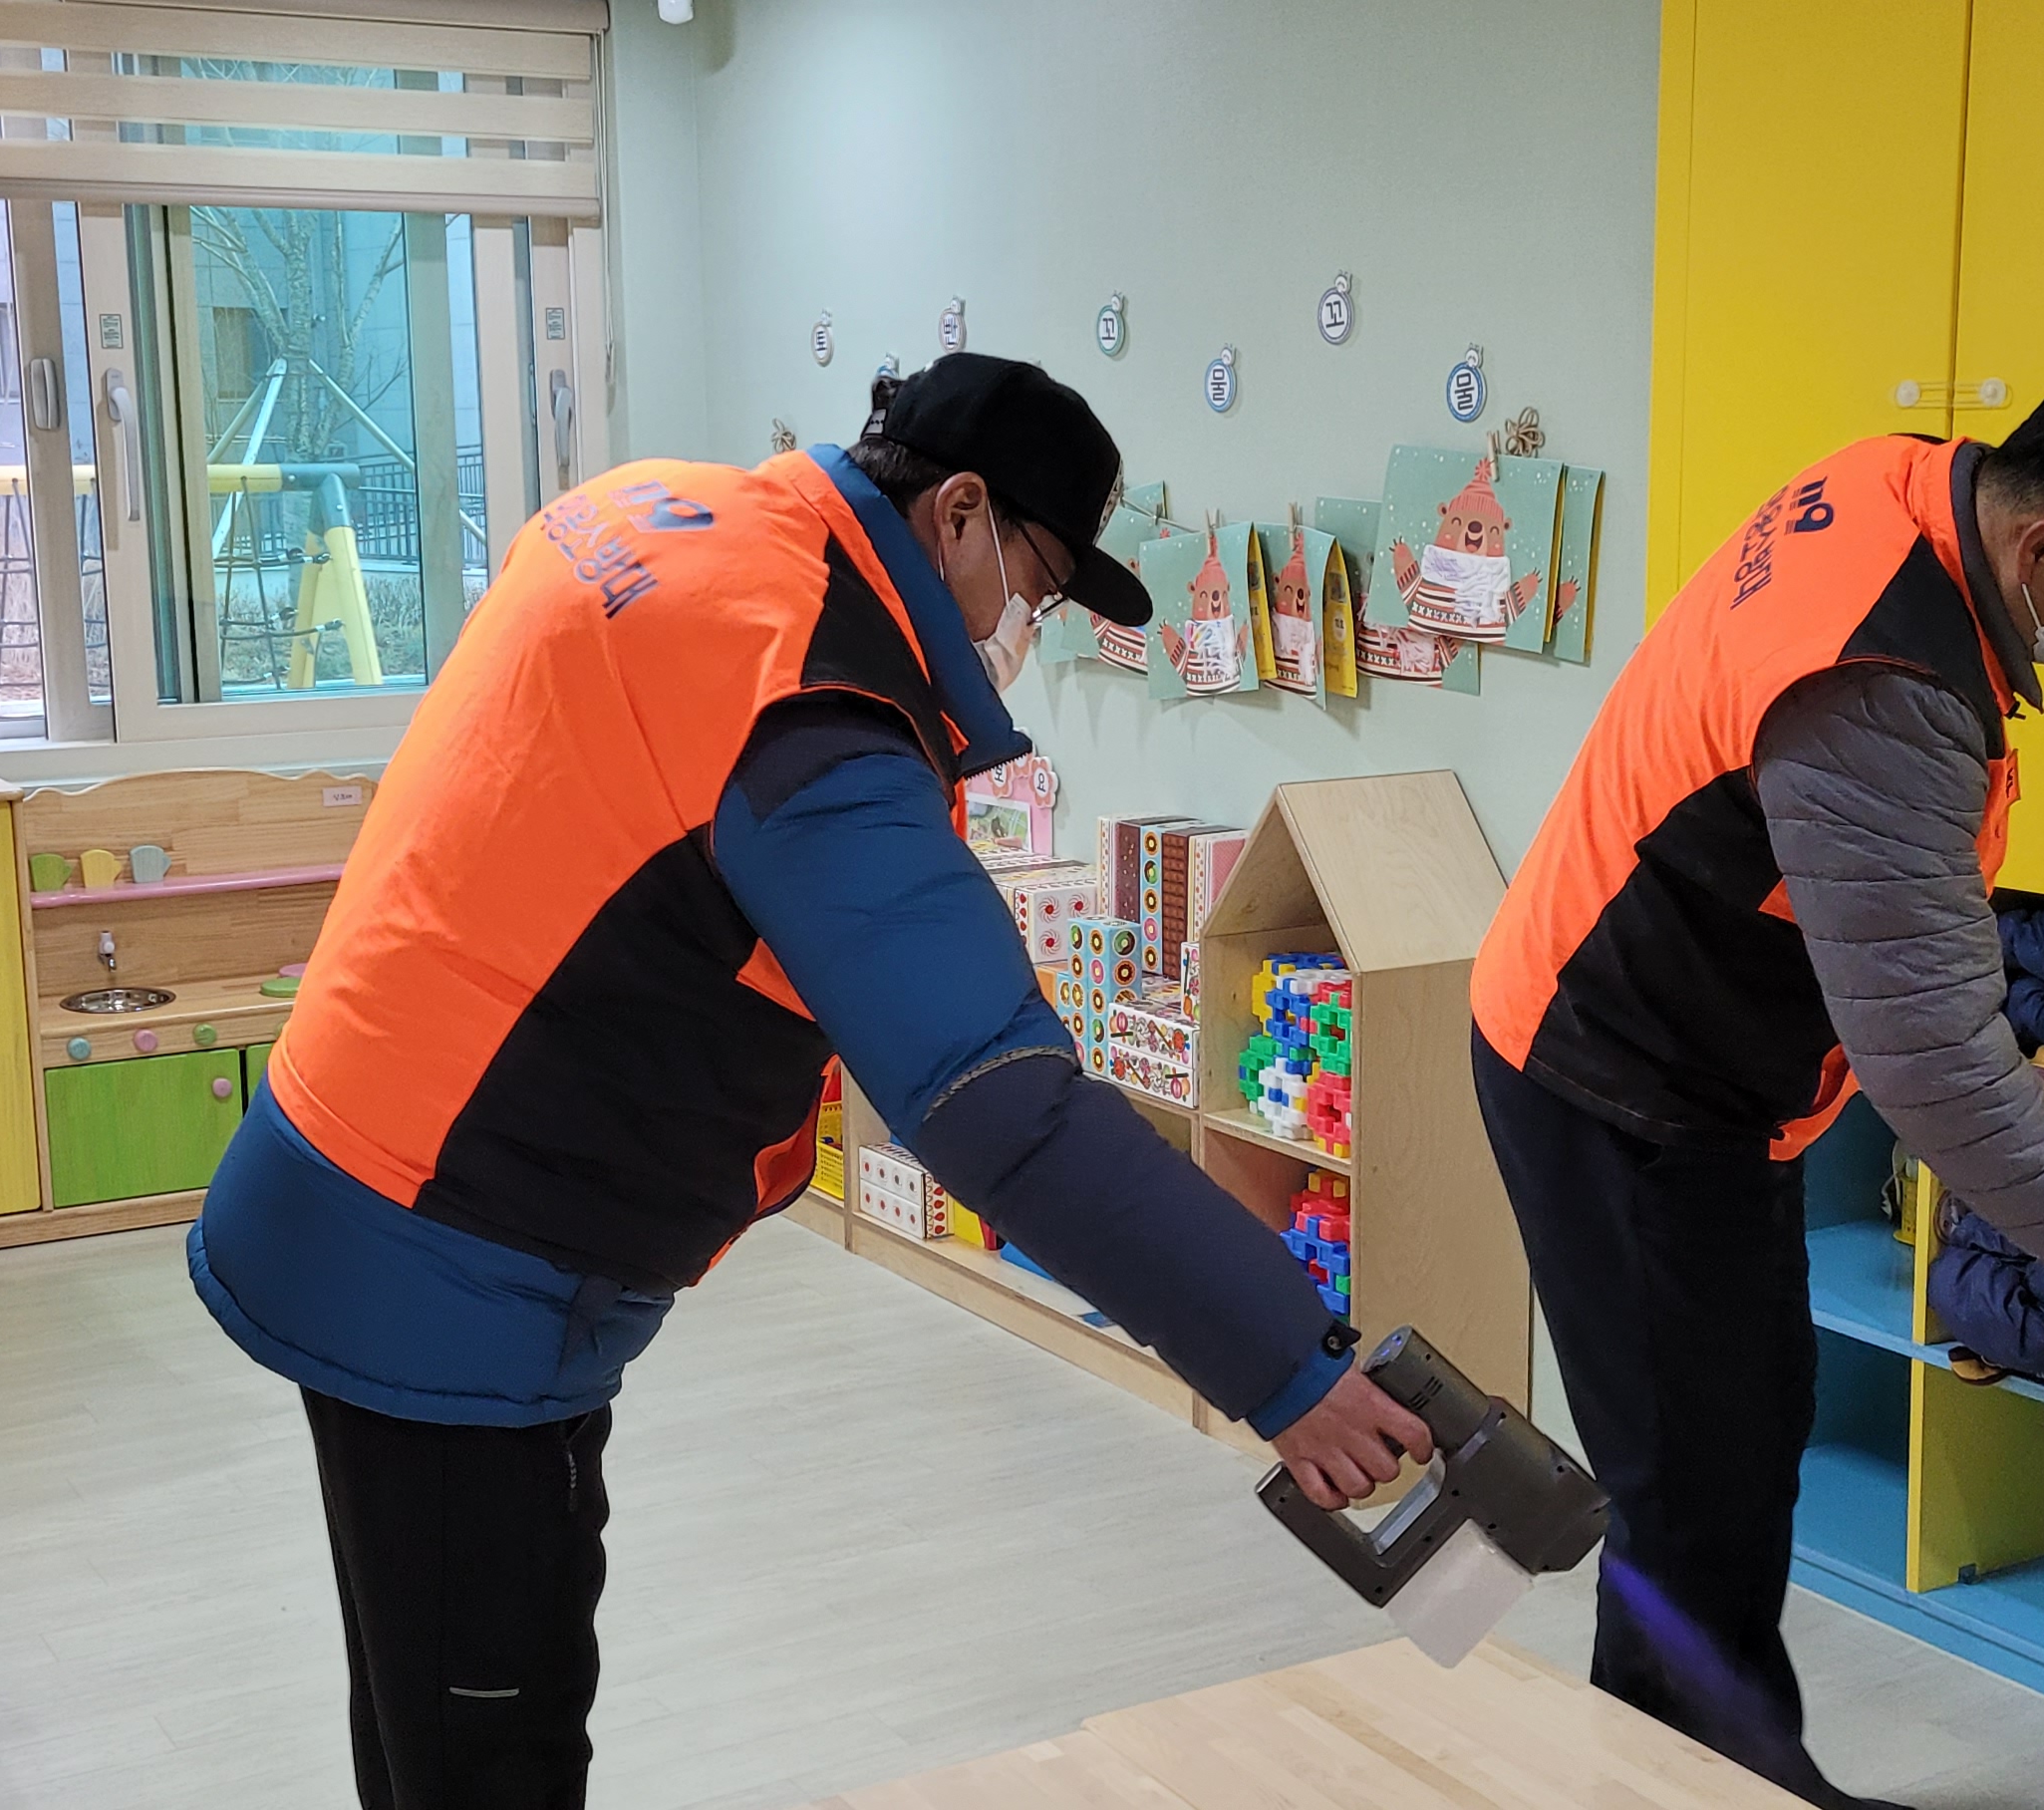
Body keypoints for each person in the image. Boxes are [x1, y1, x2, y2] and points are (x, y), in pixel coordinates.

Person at [188, 352, 1429, 1810]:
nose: (1024, 631)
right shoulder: (809, 703)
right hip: (454, 1254)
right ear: (957, 512)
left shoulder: (668, 514)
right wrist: (1290, 1368)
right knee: (489, 1742)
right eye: (1036, 588)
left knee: (425, 1705)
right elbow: (996, 1102)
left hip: (367, 1157)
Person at [1466, 352, 2044, 1807]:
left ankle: (1732, 1777)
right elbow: (1935, 1068)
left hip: (1672, 1051)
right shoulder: (1882, 687)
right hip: (1623, 1080)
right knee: (1694, 1482)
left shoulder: (1900, 481)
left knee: (1739, 1436)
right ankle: (1690, 1788)